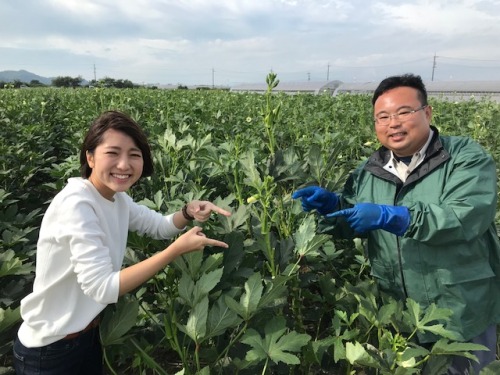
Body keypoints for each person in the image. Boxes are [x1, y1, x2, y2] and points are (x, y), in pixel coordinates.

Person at [292, 74, 500, 374]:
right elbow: (357, 219)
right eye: (383, 116)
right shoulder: (370, 170)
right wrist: (333, 207)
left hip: (461, 308)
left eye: (404, 112)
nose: (393, 123)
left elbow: (464, 217)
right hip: (399, 311)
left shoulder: (464, 157)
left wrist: (394, 216)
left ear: (427, 113)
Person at [13, 110, 231, 374]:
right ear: (90, 157)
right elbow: (102, 287)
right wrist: (175, 251)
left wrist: (187, 212)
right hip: (49, 350)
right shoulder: (77, 204)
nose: (124, 165)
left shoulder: (115, 198)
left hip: (86, 335)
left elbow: (158, 226)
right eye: (113, 153)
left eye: (134, 155)